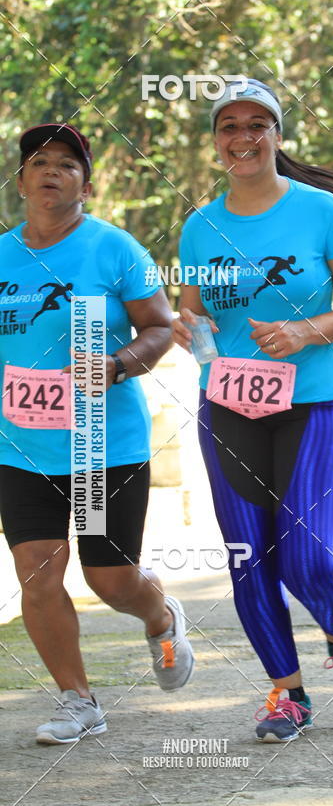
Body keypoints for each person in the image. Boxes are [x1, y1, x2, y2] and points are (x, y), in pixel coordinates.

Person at [173, 78, 333, 741]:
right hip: (231, 409)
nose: (244, 137)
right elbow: (196, 313)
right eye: (229, 126)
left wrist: (303, 331)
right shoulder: (200, 226)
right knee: (248, 557)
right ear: (216, 142)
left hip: (314, 406)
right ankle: (287, 695)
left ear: (277, 134)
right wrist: (189, 330)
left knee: (303, 558)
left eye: (257, 124)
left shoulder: (321, 212)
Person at [0, 123, 194, 744]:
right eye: (38, 162)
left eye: (66, 164)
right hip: (21, 445)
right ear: (21, 179)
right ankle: (77, 699)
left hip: (100, 444)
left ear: (87, 182)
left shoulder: (114, 249)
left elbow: (160, 329)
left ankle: (161, 616)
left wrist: (113, 366)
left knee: (108, 580)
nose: (51, 171)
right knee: (38, 574)